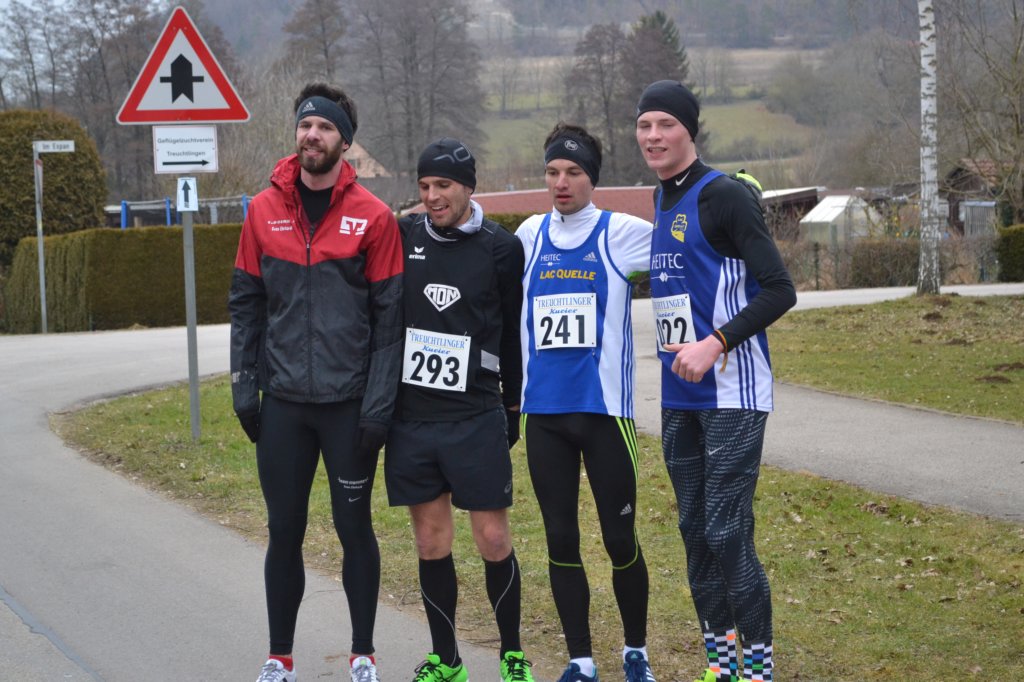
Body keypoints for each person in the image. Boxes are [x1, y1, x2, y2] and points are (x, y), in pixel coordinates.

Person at [229, 82, 404, 682]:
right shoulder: (261, 210)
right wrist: (244, 386)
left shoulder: (374, 217)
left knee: (354, 528)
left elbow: (389, 324)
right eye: (306, 125)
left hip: (347, 405)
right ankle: (279, 657)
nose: (312, 135)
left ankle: (363, 654)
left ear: (345, 143)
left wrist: (378, 407)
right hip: (283, 405)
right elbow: (246, 305)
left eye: (325, 127)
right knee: (284, 530)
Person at [635, 80, 796, 682]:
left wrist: (715, 342)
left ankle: (758, 670)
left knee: (727, 531)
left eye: (666, 125)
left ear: (690, 130)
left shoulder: (723, 195)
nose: (654, 136)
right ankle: (720, 667)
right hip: (680, 393)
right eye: (645, 125)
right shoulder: (660, 198)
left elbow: (780, 289)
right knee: (694, 532)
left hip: (732, 391)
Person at [385, 138, 535, 682]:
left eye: (443, 186)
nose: (432, 196)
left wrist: (513, 402)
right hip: (413, 416)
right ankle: (446, 660)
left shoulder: (501, 248)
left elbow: (512, 330)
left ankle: (512, 655)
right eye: (424, 186)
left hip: (475, 412)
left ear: (469, 187)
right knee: (430, 541)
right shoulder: (404, 235)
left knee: (492, 538)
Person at [517, 122, 656, 682]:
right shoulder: (529, 235)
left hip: (605, 416)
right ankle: (580, 660)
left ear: (592, 178)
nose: (561, 182)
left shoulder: (621, 233)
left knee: (619, 538)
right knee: (560, 539)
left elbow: (688, 251)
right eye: (552, 171)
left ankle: (636, 652)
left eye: (573, 171)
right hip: (544, 417)